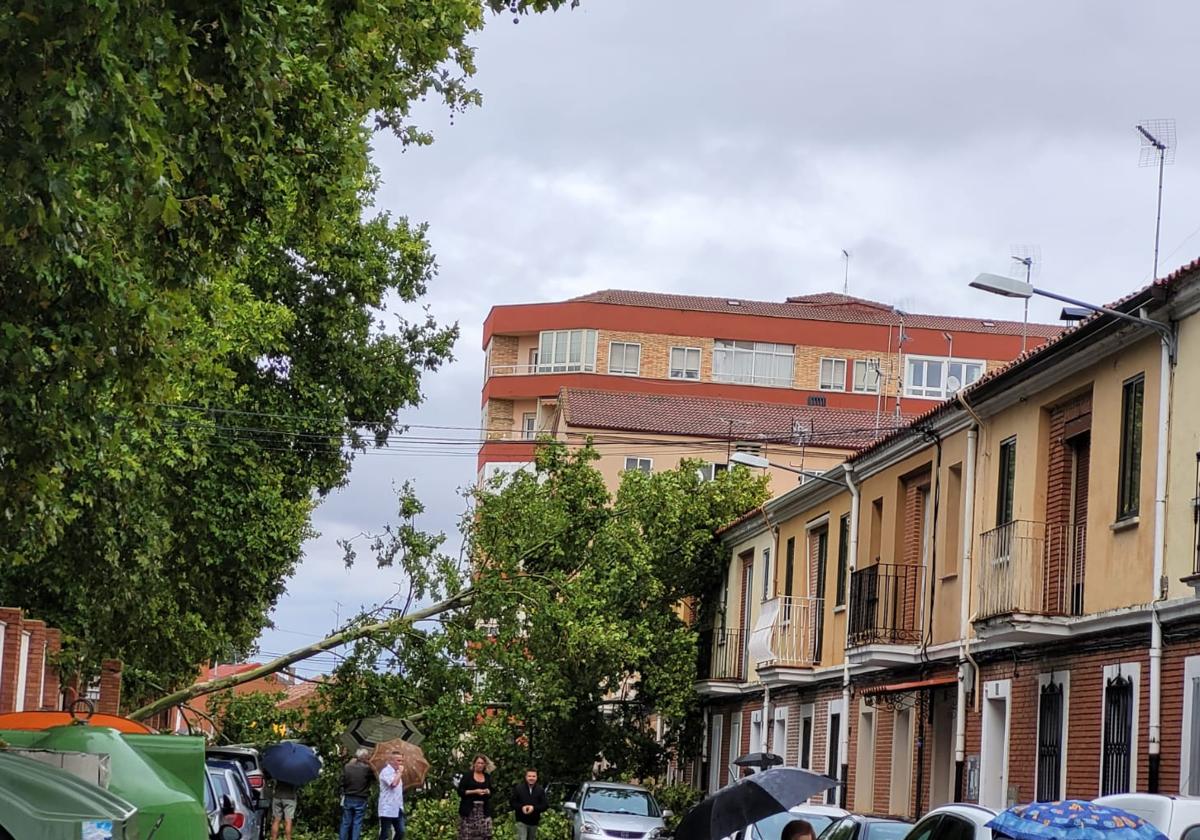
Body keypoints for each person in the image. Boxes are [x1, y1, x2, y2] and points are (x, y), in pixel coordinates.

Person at [456, 754, 495, 840]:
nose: (480, 765)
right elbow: (460, 792)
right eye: (478, 763)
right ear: (474, 764)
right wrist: (474, 791)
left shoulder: (487, 777)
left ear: (485, 765)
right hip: (469, 811)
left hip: (483, 811)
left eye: (482, 763)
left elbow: (491, 792)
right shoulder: (467, 776)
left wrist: (488, 792)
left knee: (484, 835)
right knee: (467, 836)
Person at [339, 748, 375, 840]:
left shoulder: (347, 767)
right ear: (365, 757)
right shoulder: (367, 769)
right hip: (361, 797)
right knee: (357, 822)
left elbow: (342, 782)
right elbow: (374, 779)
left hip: (348, 796)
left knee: (346, 822)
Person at [509, 768, 549, 840]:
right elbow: (512, 803)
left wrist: (534, 808)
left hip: (534, 821)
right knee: (522, 838)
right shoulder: (518, 788)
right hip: (521, 820)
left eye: (533, 776)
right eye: (529, 776)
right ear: (526, 777)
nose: (531, 778)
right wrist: (522, 807)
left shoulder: (540, 790)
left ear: (536, 777)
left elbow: (545, 805)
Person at [378, 751, 406, 840]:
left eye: (402, 761)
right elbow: (393, 784)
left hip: (397, 807)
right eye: (398, 761)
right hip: (387, 807)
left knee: (401, 831)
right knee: (385, 832)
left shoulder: (397, 772)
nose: (400, 763)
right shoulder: (386, 771)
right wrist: (400, 773)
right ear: (391, 761)